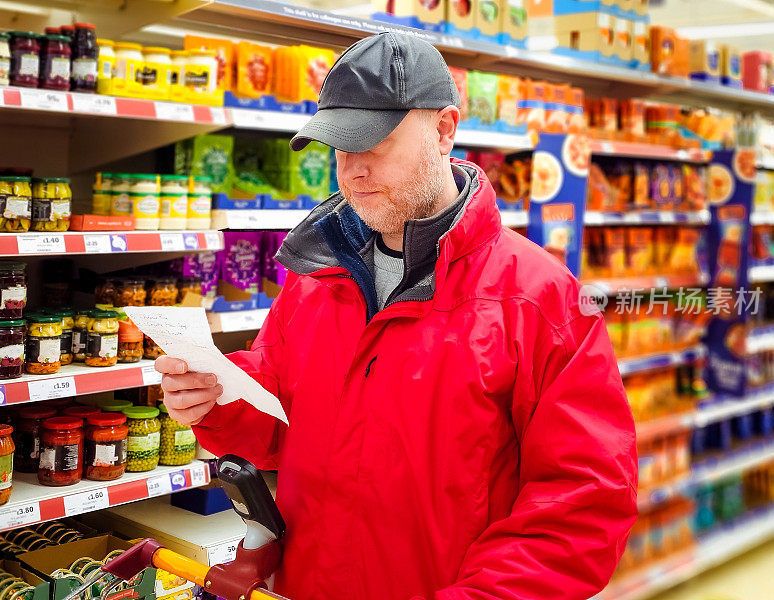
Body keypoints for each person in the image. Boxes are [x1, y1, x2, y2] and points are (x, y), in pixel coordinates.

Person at [156, 32, 637, 600]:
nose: (353, 170)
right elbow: (280, 424)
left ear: (443, 130)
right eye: (339, 146)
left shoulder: (539, 300)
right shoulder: (315, 278)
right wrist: (217, 399)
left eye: (373, 142)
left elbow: (581, 503)